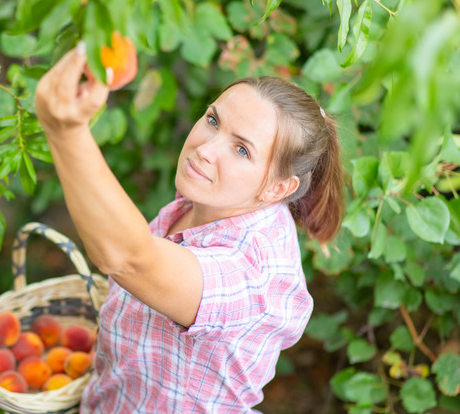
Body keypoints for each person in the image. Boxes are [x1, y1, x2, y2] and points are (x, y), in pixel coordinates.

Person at [34, 42, 344, 413]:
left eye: (242, 149)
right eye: (213, 120)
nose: (205, 149)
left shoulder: (255, 274)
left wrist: (65, 130)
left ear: (277, 188)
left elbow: (131, 260)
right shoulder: (211, 202)